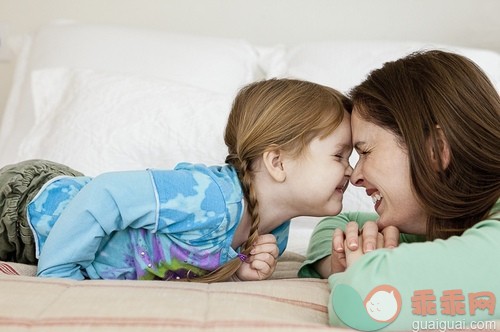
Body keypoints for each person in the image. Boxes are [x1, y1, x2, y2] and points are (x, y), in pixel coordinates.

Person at [0, 78, 354, 282]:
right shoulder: (207, 197)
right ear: (277, 162)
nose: (351, 170)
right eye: (340, 155)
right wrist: (59, 273)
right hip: (26, 207)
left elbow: (192, 262)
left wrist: (238, 272)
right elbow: (104, 194)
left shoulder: (271, 229)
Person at [299, 50, 500, 331]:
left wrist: (363, 269)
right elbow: (336, 225)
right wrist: (347, 256)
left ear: (435, 149)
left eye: (365, 151)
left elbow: (359, 305)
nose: (354, 176)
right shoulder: (447, 223)